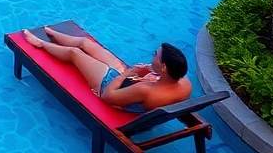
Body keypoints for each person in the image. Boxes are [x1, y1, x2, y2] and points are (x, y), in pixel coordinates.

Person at [21, 27, 192, 114]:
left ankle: (41, 43)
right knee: (85, 43)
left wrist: (126, 75)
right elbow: (161, 89)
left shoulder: (145, 90)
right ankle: (53, 34)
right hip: (130, 87)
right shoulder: (185, 83)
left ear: (164, 67)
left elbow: (107, 97)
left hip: (110, 86)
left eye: (156, 55)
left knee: (76, 53)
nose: (152, 56)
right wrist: (148, 75)